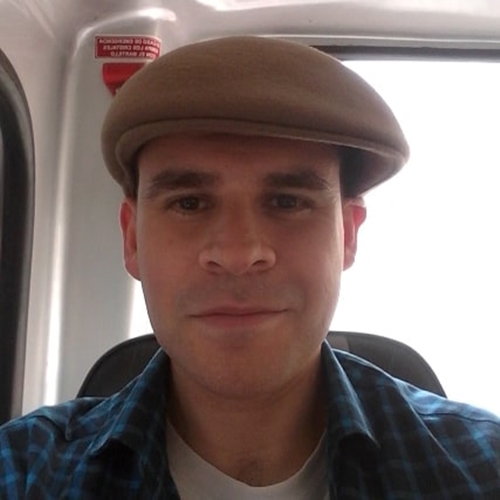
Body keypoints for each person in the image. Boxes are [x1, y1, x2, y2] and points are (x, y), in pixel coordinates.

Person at [0, 36, 499, 499]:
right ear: (132, 240)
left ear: (348, 235)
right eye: (190, 203)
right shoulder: (25, 472)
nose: (239, 254)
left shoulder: (481, 467)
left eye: (287, 201)